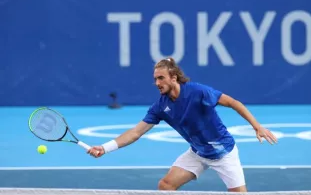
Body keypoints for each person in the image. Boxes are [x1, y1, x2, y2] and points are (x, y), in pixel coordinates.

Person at [87, 57, 278, 192]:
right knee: (166, 186)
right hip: (197, 153)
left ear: (173, 78)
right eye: (155, 79)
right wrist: (105, 148)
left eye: (161, 78)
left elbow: (233, 103)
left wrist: (257, 126)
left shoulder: (198, 92)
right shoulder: (160, 106)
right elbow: (136, 132)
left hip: (224, 153)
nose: (157, 83)